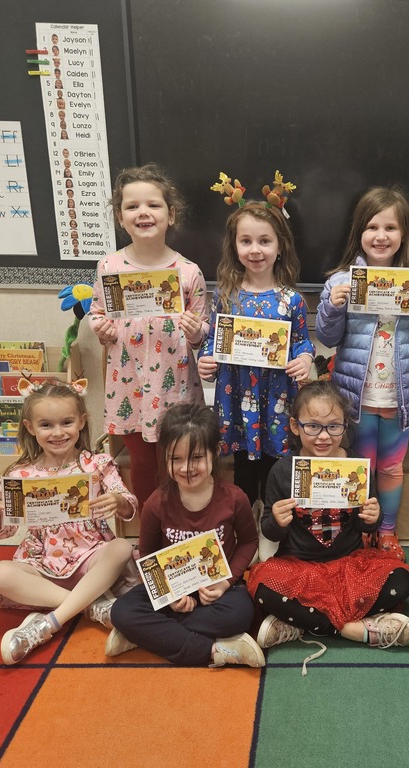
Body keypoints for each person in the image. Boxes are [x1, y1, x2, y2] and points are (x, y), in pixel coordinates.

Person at [248, 381, 409, 673]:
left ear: (345, 427)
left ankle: (306, 623)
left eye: (334, 427)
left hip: (350, 564)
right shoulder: (283, 471)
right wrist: (277, 522)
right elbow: (270, 532)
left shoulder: (358, 467)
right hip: (299, 566)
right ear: (296, 427)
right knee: (262, 589)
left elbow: (364, 523)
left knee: (401, 580)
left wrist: (372, 517)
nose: (324, 436)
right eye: (313, 427)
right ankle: (356, 629)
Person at [316, 186, 409, 560]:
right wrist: (332, 307)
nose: (380, 236)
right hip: (354, 398)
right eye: (372, 226)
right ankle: (361, 531)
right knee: (360, 467)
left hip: (399, 396)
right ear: (359, 232)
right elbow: (327, 338)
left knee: (391, 467)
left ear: (403, 234)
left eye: (390, 227)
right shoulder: (340, 282)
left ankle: (388, 532)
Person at [0, 381, 137, 665]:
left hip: (91, 557)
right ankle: (91, 605)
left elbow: (128, 502)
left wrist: (119, 502)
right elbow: (7, 530)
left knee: (122, 547)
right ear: (30, 427)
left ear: (82, 422)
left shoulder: (98, 464)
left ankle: (49, 623)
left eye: (67, 422)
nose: (58, 432)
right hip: (41, 562)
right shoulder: (19, 474)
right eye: (46, 425)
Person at [103, 403, 264, 667]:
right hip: (172, 594)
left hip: (218, 592)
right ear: (165, 457)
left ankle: (147, 635)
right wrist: (169, 595)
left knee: (242, 614)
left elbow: (249, 542)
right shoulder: (157, 502)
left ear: (214, 453)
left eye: (196, 458)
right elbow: (147, 554)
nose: (186, 468)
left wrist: (225, 583)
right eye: (175, 459)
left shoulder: (234, 498)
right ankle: (212, 650)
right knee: (123, 611)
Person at [88, 163, 207, 511]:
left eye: (153, 205)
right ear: (120, 218)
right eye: (131, 206)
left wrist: (196, 331)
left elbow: (203, 333)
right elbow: (97, 315)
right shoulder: (109, 268)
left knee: (177, 460)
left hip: (175, 383)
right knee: (140, 462)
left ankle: (180, 525)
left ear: (171, 215)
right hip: (129, 383)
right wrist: (101, 328)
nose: (143, 212)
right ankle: (148, 531)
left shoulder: (188, 271)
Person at [198, 181, 315, 505]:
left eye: (264, 241)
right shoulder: (225, 297)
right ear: (234, 246)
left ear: (280, 246)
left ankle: (272, 529)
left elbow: (304, 343)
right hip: (236, 396)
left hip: (278, 396)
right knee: (242, 470)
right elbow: (211, 344)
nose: (255, 249)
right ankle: (245, 522)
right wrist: (205, 361)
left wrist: (304, 361)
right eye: (246, 241)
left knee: (276, 467)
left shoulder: (291, 300)